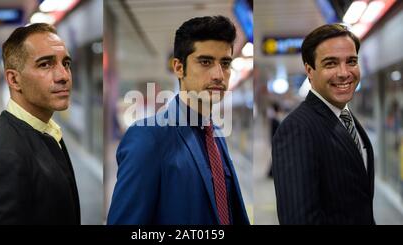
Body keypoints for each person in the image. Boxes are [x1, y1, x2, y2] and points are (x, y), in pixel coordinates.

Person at [107, 16, 249, 225]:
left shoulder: (217, 134)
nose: (219, 75)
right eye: (206, 62)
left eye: (225, 63)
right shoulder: (148, 138)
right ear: (179, 67)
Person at [0, 23, 80, 225]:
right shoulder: (2, 157)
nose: (63, 76)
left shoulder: (46, 130)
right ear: (14, 79)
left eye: (66, 63)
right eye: (45, 64)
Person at [272, 24, 375, 225]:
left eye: (351, 61)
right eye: (331, 64)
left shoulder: (346, 117)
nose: (344, 72)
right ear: (310, 70)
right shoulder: (297, 129)